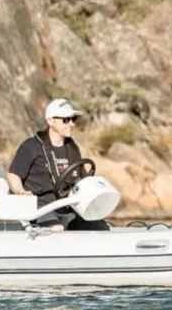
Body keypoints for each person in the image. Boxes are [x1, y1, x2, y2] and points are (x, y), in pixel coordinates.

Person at [7, 98, 109, 231]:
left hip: (67, 206)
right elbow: (13, 174)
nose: (71, 124)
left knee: (99, 226)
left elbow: (82, 179)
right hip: (40, 207)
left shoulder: (72, 147)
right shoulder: (31, 146)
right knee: (57, 229)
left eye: (73, 119)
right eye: (65, 120)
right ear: (50, 121)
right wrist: (21, 192)